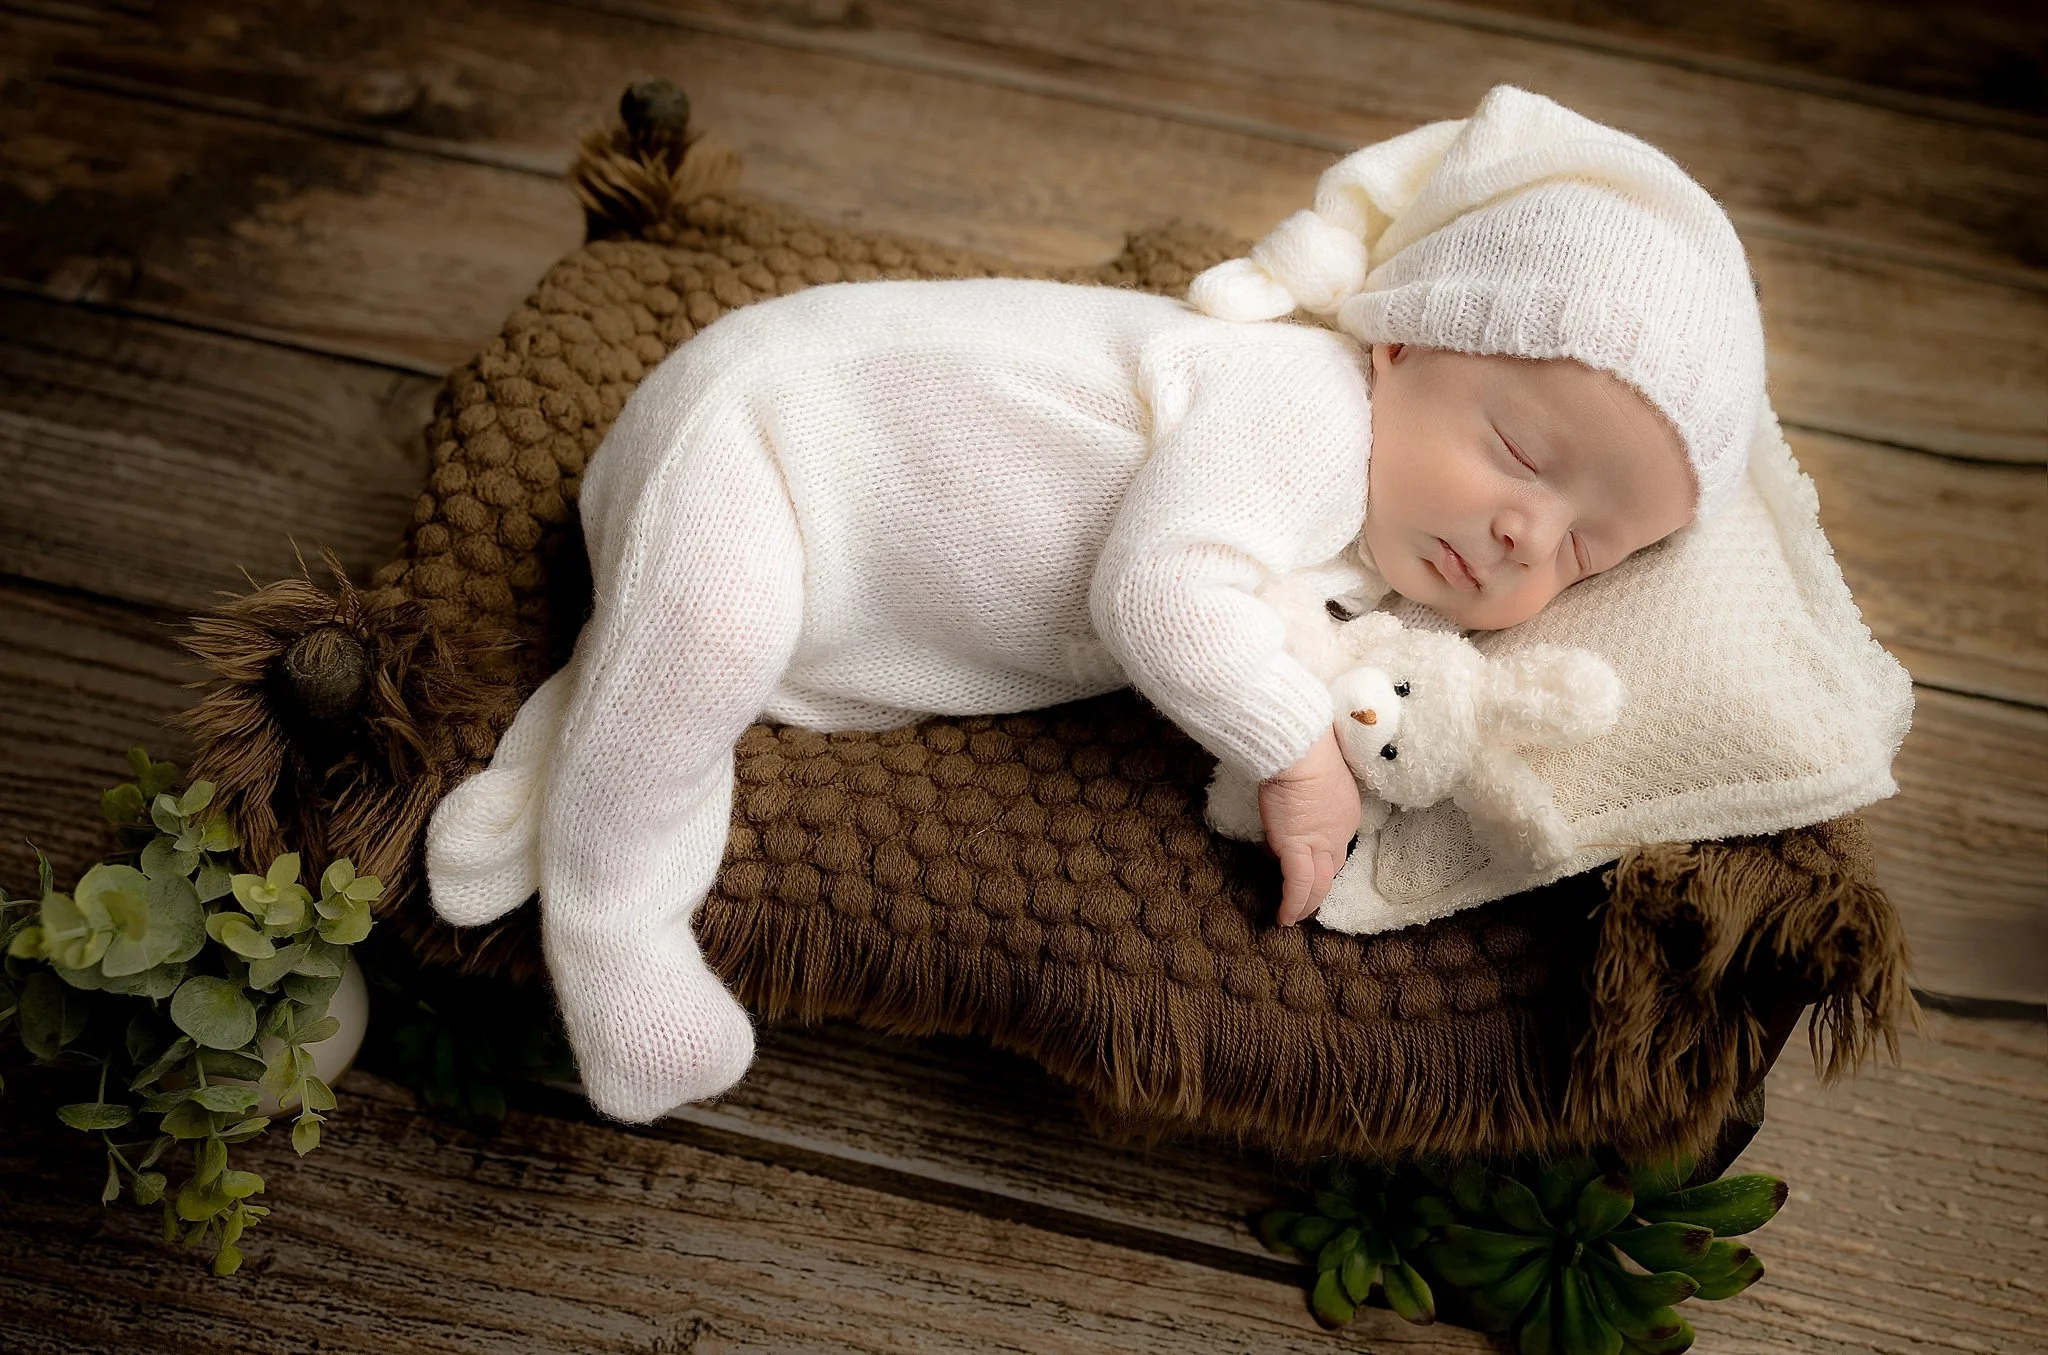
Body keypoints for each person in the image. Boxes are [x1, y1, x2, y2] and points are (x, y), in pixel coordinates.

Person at [422, 85, 1767, 1123]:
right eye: (1523, 455)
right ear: (1402, 336)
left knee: (700, 668)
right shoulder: (1304, 409)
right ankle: (616, 920)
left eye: (1587, 551)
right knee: (702, 633)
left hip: (847, 568)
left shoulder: (1367, 544)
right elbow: (1163, 591)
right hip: (767, 442)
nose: (1526, 532)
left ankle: (578, 740)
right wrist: (1296, 749)